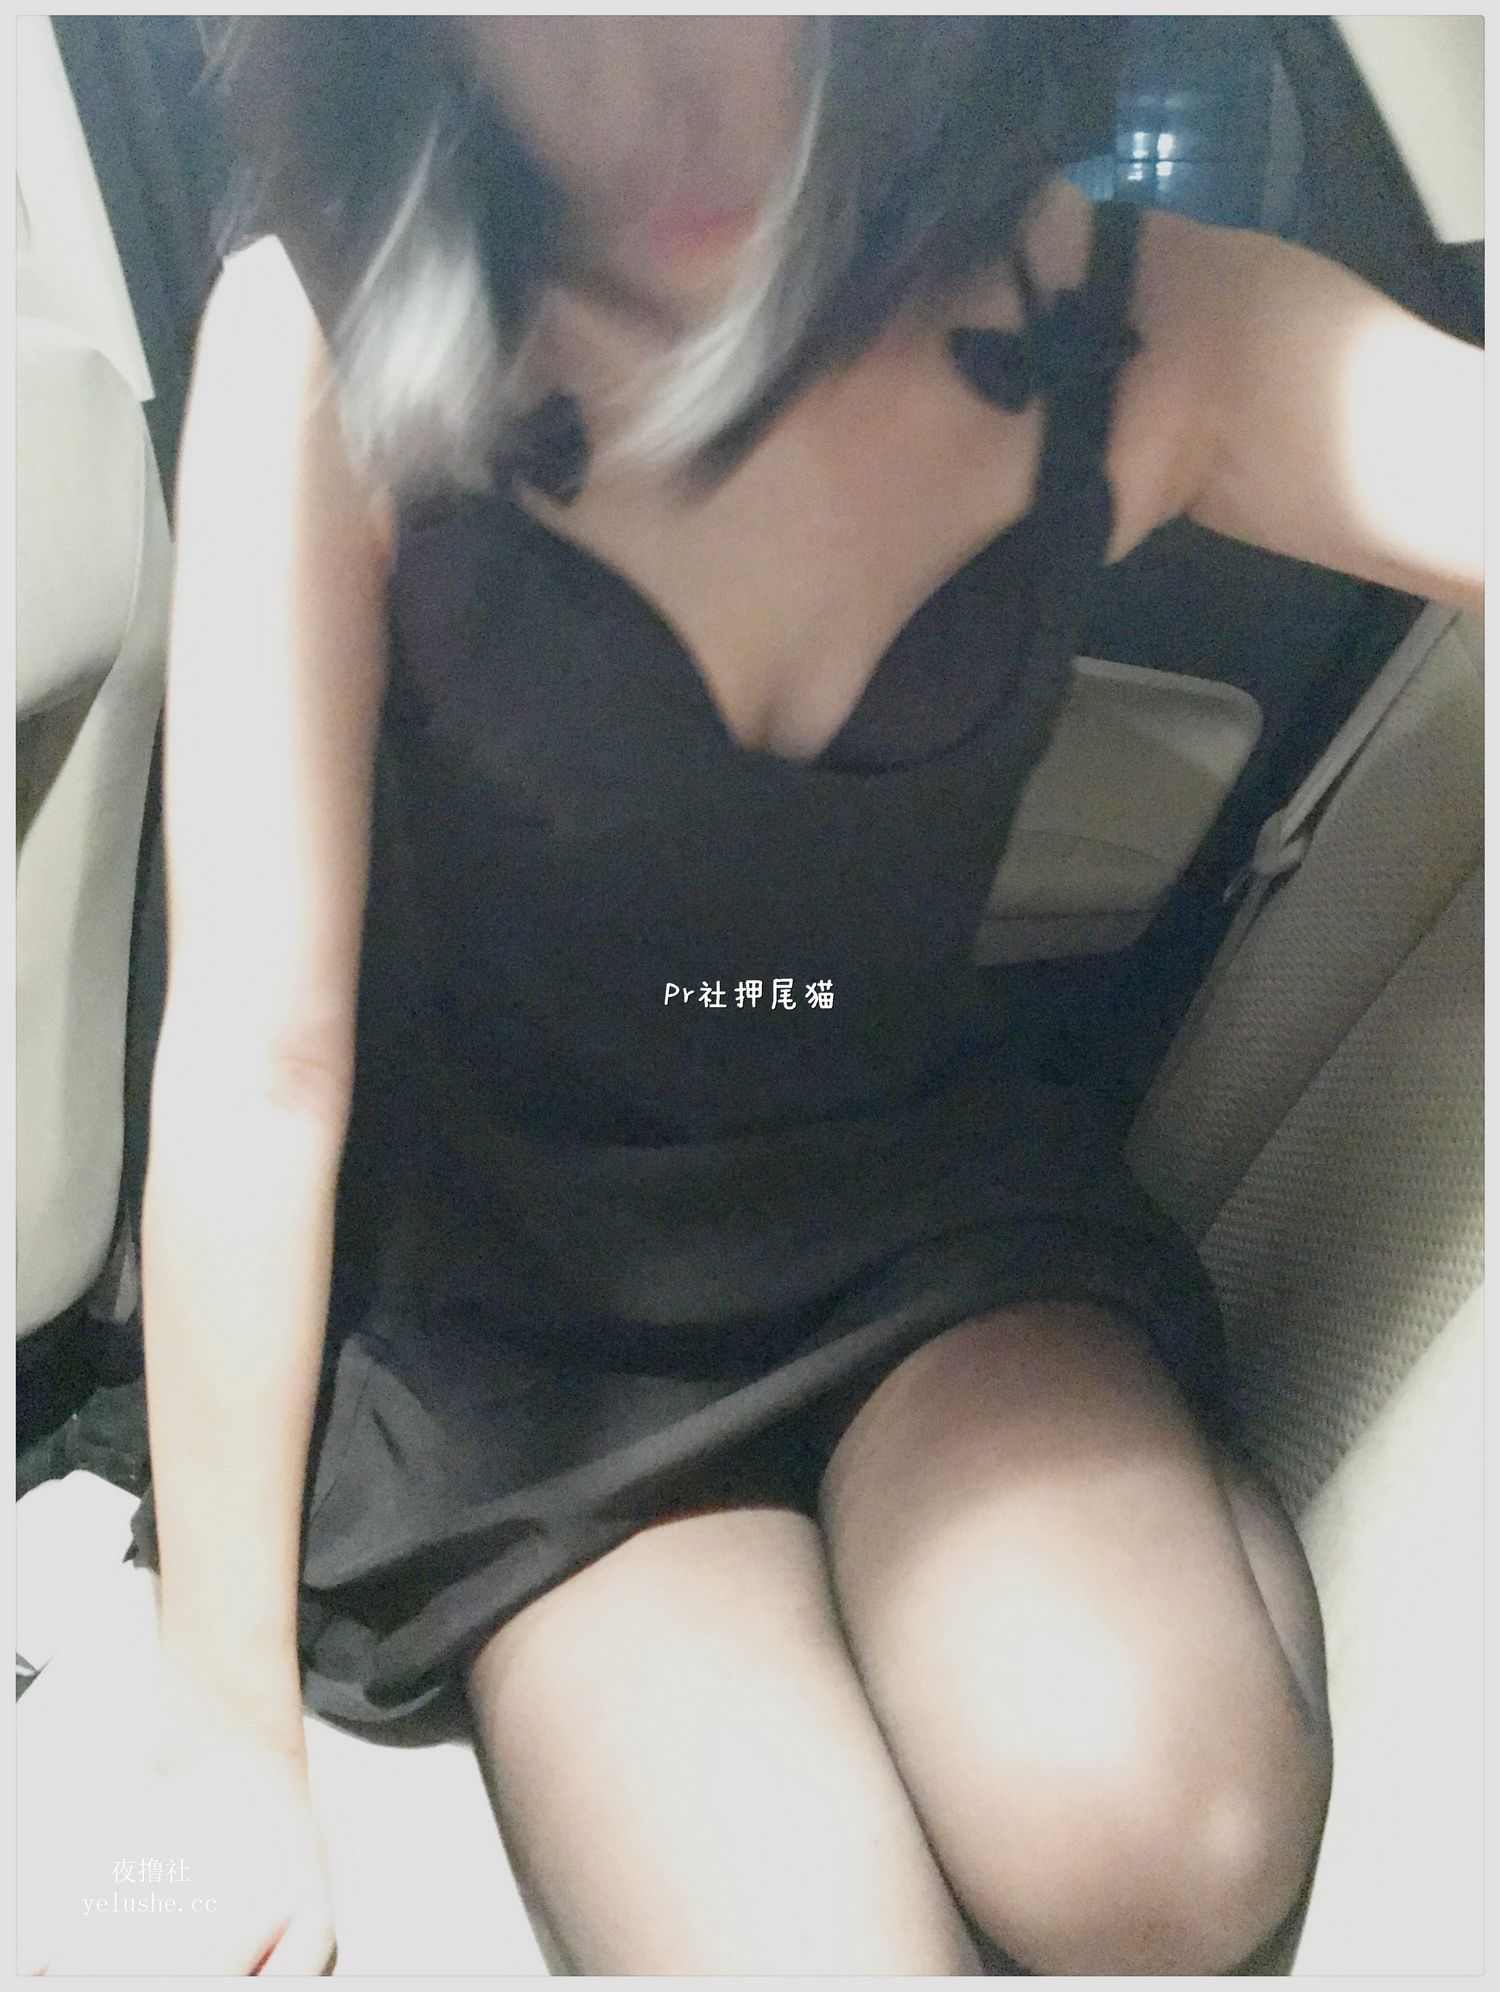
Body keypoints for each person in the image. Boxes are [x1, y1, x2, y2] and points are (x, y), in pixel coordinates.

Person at [52, 16, 1479, 1978]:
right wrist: (224, 1738)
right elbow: (258, 1059)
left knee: (1161, 1839)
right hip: (526, 1318)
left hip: (910, 1222)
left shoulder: (1125, 324)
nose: (673, 101)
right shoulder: (335, 337)